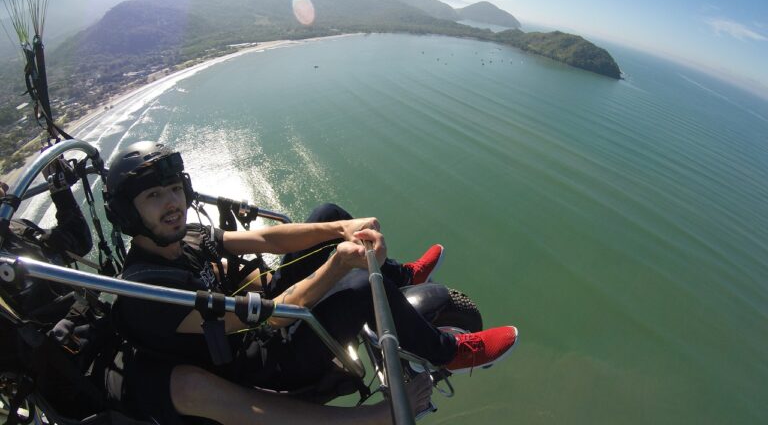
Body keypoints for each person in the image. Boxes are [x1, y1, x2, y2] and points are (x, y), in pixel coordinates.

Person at [104, 141, 519, 424]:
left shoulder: (187, 239)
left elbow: (265, 238)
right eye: (153, 197)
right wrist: (337, 265)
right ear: (128, 214)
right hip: (265, 359)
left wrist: (341, 228)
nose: (172, 204)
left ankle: (399, 274)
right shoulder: (150, 295)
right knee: (356, 289)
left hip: (260, 314)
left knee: (325, 213)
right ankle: (447, 351)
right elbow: (273, 320)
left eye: (174, 190)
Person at [0, 158, 93, 321]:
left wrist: (60, 191)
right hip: (61, 335)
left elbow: (78, 244)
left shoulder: (16, 227)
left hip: (85, 317)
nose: (5, 186)